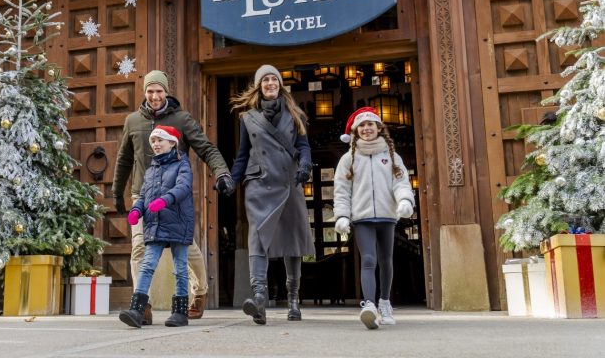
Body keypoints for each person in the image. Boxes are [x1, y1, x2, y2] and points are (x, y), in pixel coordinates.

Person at [112, 70, 233, 323]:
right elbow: (124, 160)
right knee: (139, 250)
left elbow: (206, 149)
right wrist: (117, 192)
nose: (154, 96)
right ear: (144, 92)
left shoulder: (182, 119)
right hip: (143, 195)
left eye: (159, 91)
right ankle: (141, 305)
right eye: (150, 91)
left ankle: (199, 293)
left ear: (166, 92)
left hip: (174, 198)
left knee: (187, 250)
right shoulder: (133, 121)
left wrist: (222, 173)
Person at [223, 64, 314, 325]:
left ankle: (294, 298)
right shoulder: (248, 118)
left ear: (281, 85)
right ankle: (259, 297)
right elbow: (242, 155)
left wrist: (305, 164)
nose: (270, 83)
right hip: (260, 184)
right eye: (266, 80)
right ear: (259, 86)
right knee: (258, 237)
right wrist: (232, 179)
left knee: (293, 240)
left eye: (274, 79)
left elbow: (303, 146)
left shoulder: (295, 114)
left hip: (289, 180)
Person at [333, 107, 415, 330]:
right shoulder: (348, 159)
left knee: (386, 261)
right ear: (355, 131)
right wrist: (341, 215)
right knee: (368, 259)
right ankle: (368, 304)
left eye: (371, 124)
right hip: (362, 218)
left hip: (387, 216)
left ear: (379, 128)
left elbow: (400, 182)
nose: (366, 128)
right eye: (362, 125)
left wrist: (405, 200)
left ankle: (385, 302)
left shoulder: (391, 156)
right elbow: (342, 189)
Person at [119, 125, 193, 328]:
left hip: (178, 222)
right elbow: (143, 195)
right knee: (147, 265)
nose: (156, 144)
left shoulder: (182, 164)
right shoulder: (151, 170)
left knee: (180, 268)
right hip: (155, 223)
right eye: (153, 141)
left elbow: (183, 187)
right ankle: (137, 309)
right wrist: (137, 210)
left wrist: (165, 200)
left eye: (160, 140)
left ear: (172, 143)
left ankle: (180, 313)